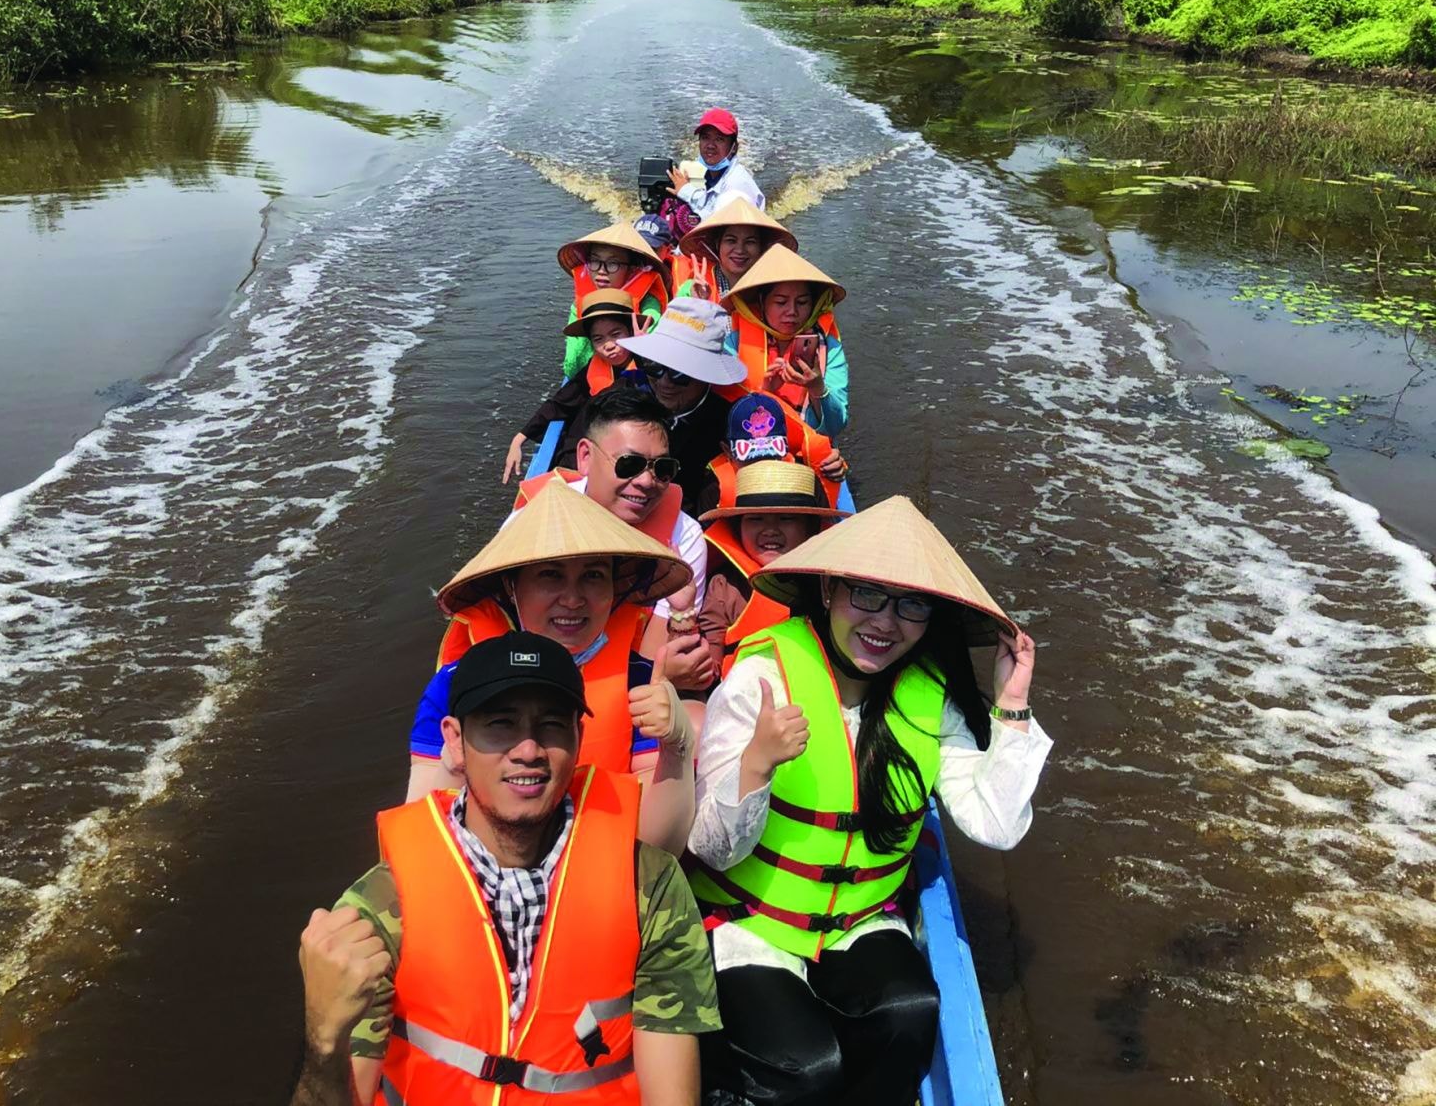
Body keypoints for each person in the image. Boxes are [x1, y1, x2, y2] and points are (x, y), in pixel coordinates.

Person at [687, 496, 1050, 1105]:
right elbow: (713, 850)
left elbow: (995, 825)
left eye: (912, 604)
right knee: (807, 1067)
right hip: (751, 923)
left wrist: (1011, 701)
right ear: (828, 589)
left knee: (911, 1010)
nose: (886, 622)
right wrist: (756, 764)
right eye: (866, 595)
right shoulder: (761, 677)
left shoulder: (931, 696)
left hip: (860, 919)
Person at [291, 633, 720, 1106]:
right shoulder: (381, 908)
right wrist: (324, 1040)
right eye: (501, 724)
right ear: (454, 741)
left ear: (579, 737)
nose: (528, 749)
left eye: (552, 724)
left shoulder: (651, 888)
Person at [410, 479, 700, 854]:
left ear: (614, 587)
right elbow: (419, 835)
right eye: (550, 575)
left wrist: (676, 746)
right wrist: (454, 761)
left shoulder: (642, 683)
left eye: (593, 576)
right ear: (512, 587)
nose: (573, 598)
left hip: (597, 880)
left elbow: (662, 849)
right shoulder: (453, 688)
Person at [512, 387, 714, 687]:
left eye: (662, 468)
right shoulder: (534, 520)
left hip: (627, 682)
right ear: (584, 457)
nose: (647, 481)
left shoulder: (682, 539)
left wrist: (682, 612)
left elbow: (652, 658)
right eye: (629, 464)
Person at [697, 460, 847, 680]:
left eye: (786, 518)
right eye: (755, 519)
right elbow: (710, 663)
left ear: (811, 528)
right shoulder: (724, 587)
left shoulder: (833, 581)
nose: (770, 530)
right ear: (738, 529)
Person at [615, 296, 748, 519]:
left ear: (706, 376)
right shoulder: (625, 394)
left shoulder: (727, 423)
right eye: (655, 366)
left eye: (680, 374)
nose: (665, 382)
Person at [502, 289, 644, 483]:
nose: (608, 345)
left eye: (616, 334)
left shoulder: (653, 370)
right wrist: (518, 440)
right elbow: (559, 403)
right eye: (598, 339)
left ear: (632, 331)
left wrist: (644, 354)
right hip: (589, 456)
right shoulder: (592, 371)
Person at [722, 244, 849, 439]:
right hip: (754, 452)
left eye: (802, 302)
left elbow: (836, 426)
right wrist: (765, 394)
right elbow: (722, 417)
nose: (792, 311)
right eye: (781, 302)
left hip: (809, 455)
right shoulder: (734, 343)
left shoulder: (829, 348)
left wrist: (817, 388)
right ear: (762, 302)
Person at [694, 393, 847, 520]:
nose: (763, 466)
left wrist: (832, 468)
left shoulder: (805, 478)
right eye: (752, 458)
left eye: (770, 456)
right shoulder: (713, 491)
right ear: (727, 451)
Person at [558, 222, 668, 378]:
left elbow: (651, 349)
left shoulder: (648, 304)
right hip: (589, 375)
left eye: (613, 264)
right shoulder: (580, 305)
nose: (602, 271)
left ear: (632, 269)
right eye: (595, 261)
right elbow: (571, 367)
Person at [670, 196, 797, 304]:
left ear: (762, 248)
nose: (740, 250)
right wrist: (698, 306)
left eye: (750, 242)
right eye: (731, 240)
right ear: (717, 244)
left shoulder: (773, 292)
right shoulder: (691, 289)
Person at [667, 108, 764, 221]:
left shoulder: (736, 189)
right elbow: (709, 203)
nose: (710, 145)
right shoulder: (716, 176)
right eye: (705, 138)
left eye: (719, 139)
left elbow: (718, 224)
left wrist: (685, 192)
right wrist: (686, 190)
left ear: (734, 148)